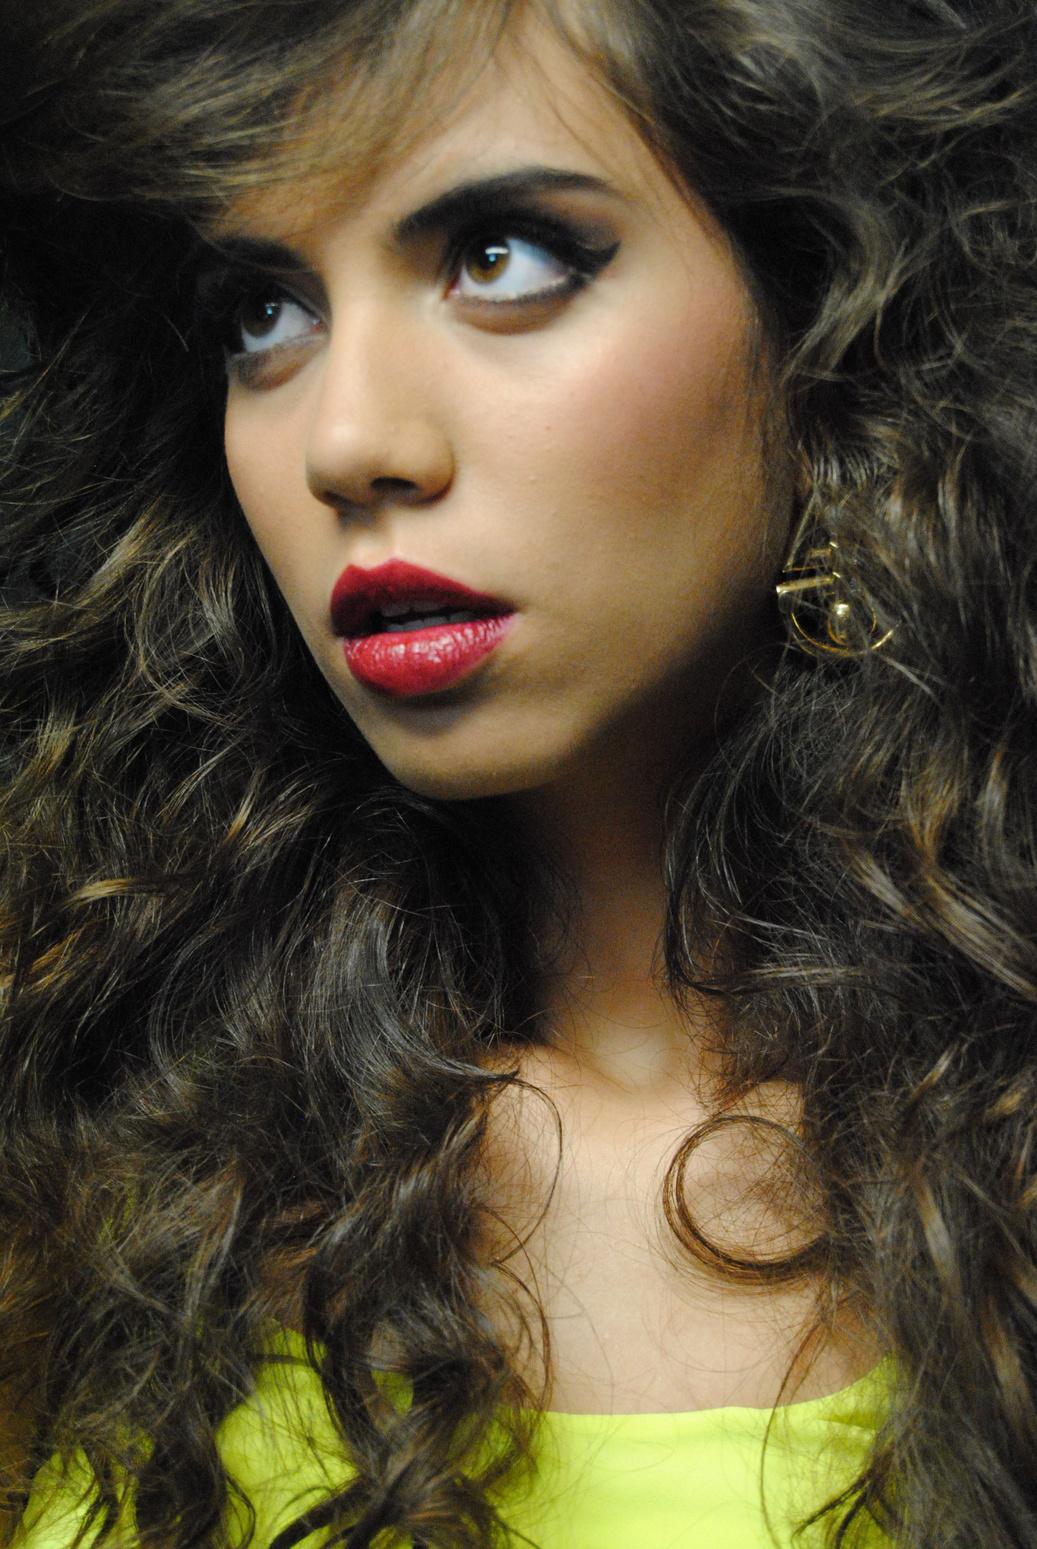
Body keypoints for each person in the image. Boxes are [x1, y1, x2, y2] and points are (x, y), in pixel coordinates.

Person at [2, 0, 1035, 1544]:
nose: (345, 440)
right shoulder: (94, 1109)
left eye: (500, 257)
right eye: (263, 312)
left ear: (826, 320)